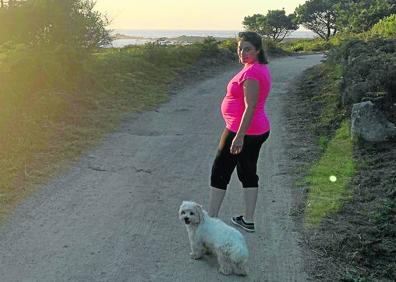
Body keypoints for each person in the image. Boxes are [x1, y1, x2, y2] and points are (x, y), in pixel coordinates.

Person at [208, 31, 271, 233]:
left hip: (242, 131)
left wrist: (239, 136)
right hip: (257, 130)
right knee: (247, 171)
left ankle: (211, 221)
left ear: (258, 50)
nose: (242, 52)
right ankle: (248, 219)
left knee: (220, 171)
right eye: (240, 48)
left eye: (248, 49)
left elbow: (250, 106)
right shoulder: (257, 68)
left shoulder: (251, 73)